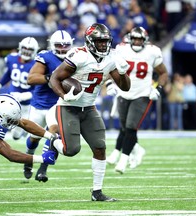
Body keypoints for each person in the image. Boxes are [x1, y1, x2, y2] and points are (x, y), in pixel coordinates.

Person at [49, 23, 131, 201]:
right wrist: (64, 95)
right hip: (68, 107)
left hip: (89, 108)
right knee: (71, 150)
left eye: (105, 41)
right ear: (90, 41)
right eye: (99, 41)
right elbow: (54, 78)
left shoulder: (111, 58)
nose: (103, 45)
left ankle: (97, 192)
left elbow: (125, 87)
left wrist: (124, 73)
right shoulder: (79, 56)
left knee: (100, 147)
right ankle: (52, 142)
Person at [105, 27, 168, 174]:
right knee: (124, 127)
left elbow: (163, 73)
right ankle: (135, 150)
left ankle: (123, 160)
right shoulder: (121, 49)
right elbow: (109, 66)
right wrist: (109, 84)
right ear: (130, 39)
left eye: (140, 39)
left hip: (142, 94)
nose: (137, 42)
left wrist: (157, 88)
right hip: (123, 92)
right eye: (135, 39)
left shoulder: (152, 52)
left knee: (131, 126)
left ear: (145, 40)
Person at [24, 30, 74, 182]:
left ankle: (42, 169)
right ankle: (28, 158)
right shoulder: (45, 57)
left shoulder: (76, 56)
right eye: (59, 45)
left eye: (66, 45)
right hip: (40, 104)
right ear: (52, 45)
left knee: (54, 134)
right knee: (34, 138)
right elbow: (31, 79)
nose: (62, 49)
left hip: (58, 103)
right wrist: (50, 78)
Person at [0, 37, 39, 170]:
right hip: (10, 101)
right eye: (25, 48)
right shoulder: (12, 59)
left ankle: (20, 133)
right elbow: (7, 75)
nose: (26, 51)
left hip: (26, 105)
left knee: (16, 134)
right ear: (20, 47)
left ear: (35, 51)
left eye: (30, 49)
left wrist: (24, 95)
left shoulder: (37, 64)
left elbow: (38, 88)